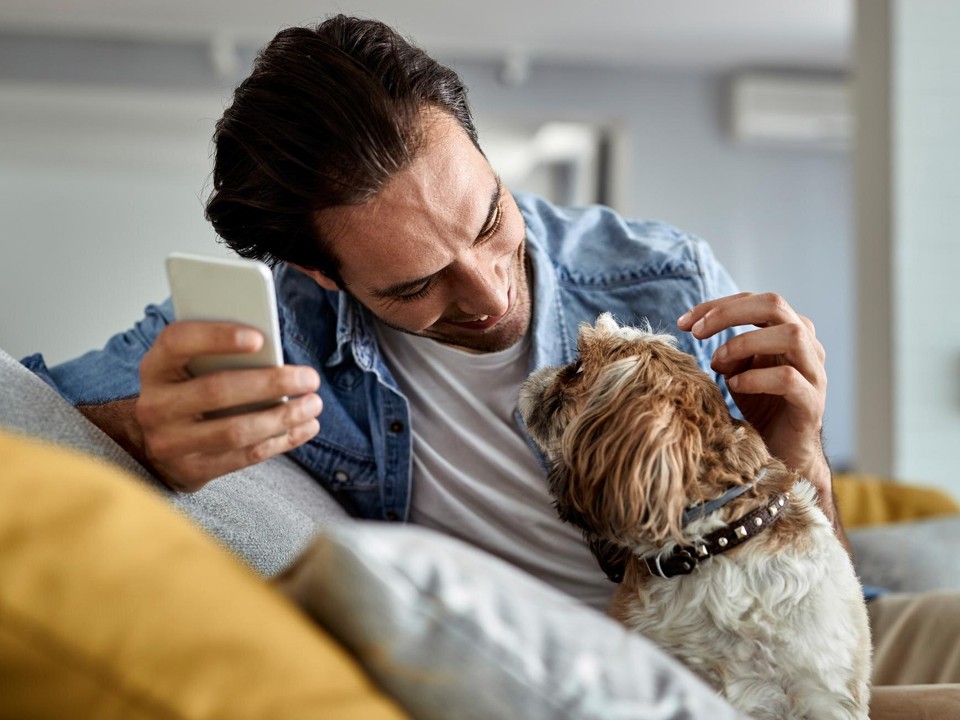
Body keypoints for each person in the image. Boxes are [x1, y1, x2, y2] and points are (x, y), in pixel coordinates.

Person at [23, 14, 960, 714]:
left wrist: (800, 452)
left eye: (489, 219)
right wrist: (142, 430)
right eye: (416, 284)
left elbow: (810, 583)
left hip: (812, 631)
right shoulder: (282, 334)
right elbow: (27, 409)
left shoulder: (659, 279)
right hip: (615, 671)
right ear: (319, 272)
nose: (487, 295)